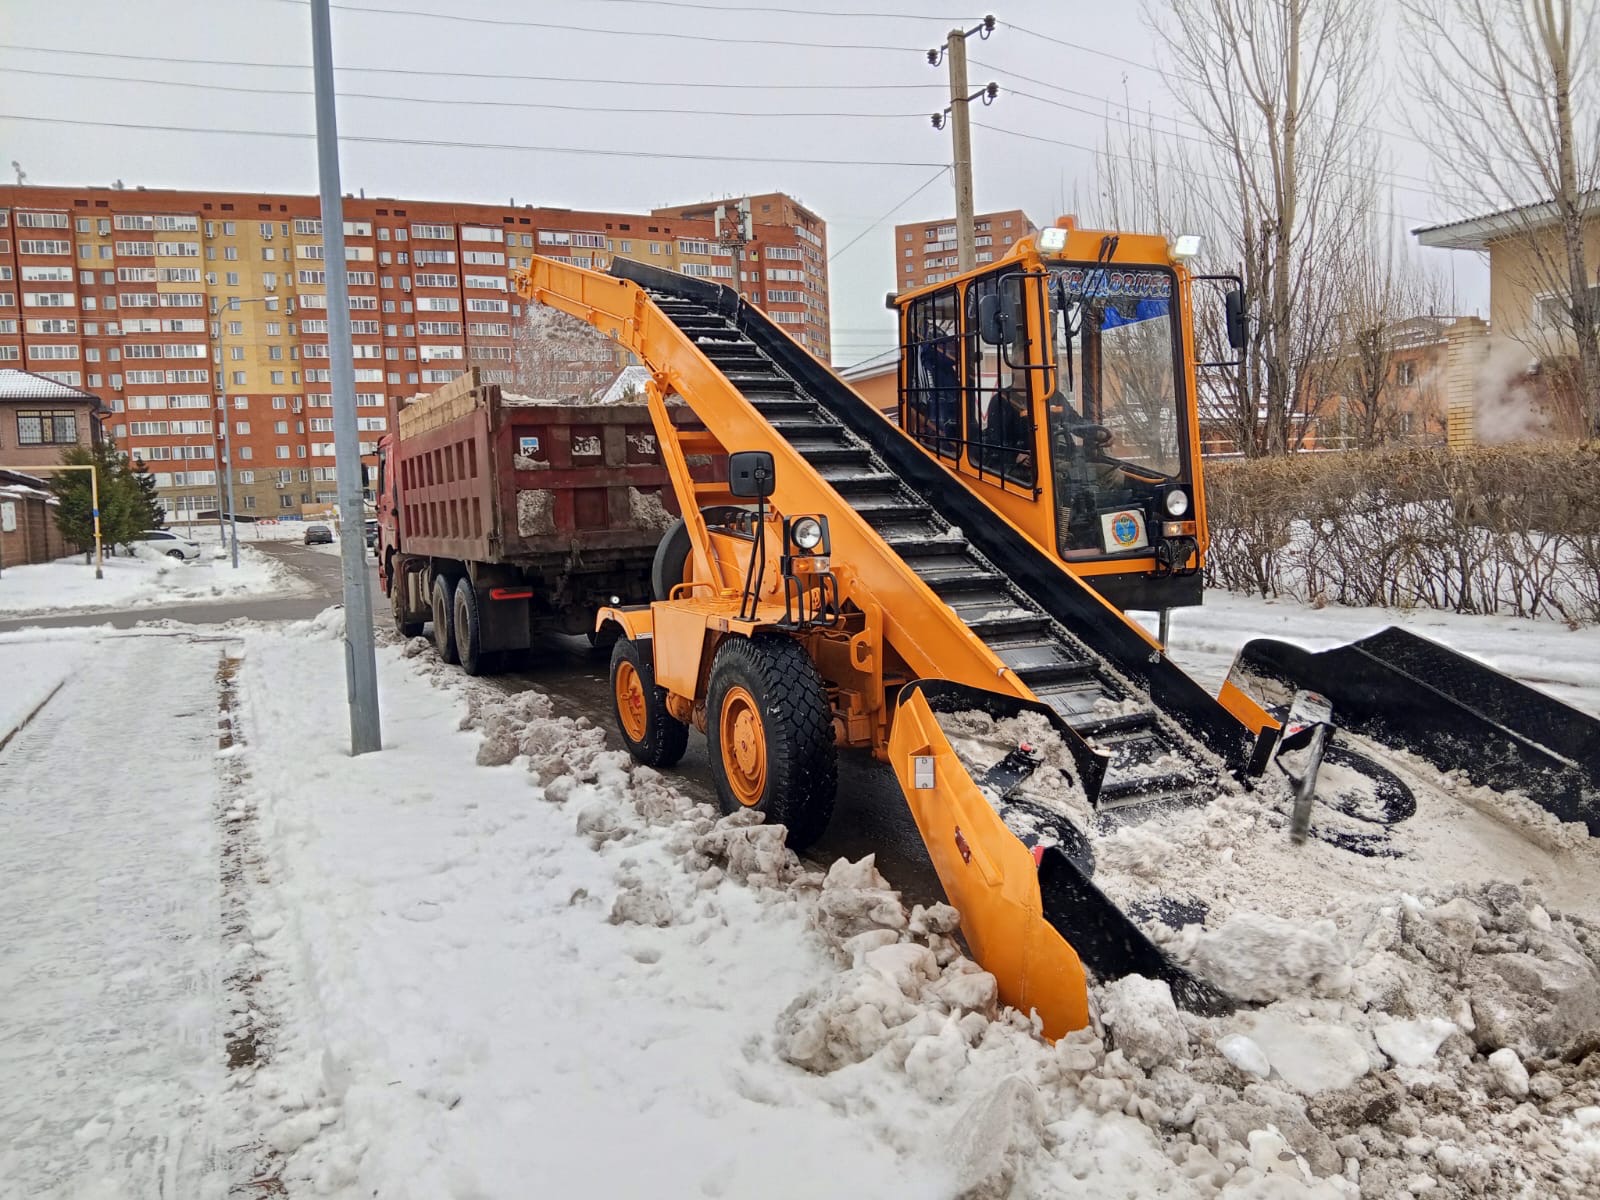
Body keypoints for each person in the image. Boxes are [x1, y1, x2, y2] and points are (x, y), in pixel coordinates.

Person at [983, 386, 1035, 485]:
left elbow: (1071, 419)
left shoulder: (1047, 395)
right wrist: (1015, 455)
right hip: (1009, 463)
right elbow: (995, 439)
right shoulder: (1001, 400)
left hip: (1042, 457)